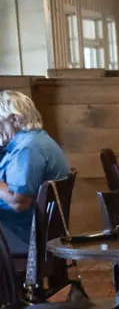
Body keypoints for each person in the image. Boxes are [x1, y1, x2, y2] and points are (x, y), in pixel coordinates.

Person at [0, 90, 67, 251]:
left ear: (15, 119)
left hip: (21, 235)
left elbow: (19, 203)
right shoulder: (37, 139)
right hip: (27, 230)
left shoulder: (28, 148)